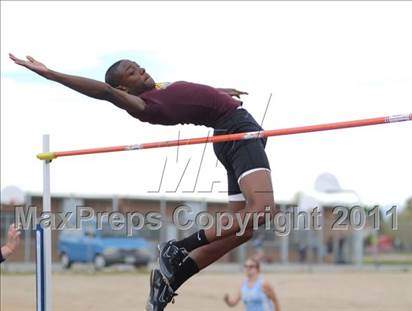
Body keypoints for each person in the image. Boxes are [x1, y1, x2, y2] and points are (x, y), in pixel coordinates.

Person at [10, 54, 275, 310]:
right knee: (262, 209)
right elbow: (104, 91)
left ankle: (168, 282)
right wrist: (51, 74)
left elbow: (191, 97)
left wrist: (217, 93)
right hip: (238, 132)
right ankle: (178, 247)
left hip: (226, 135)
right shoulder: (142, 104)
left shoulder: (158, 88)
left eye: (138, 65)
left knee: (243, 228)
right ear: (124, 87)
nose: (141, 70)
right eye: (132, 71)